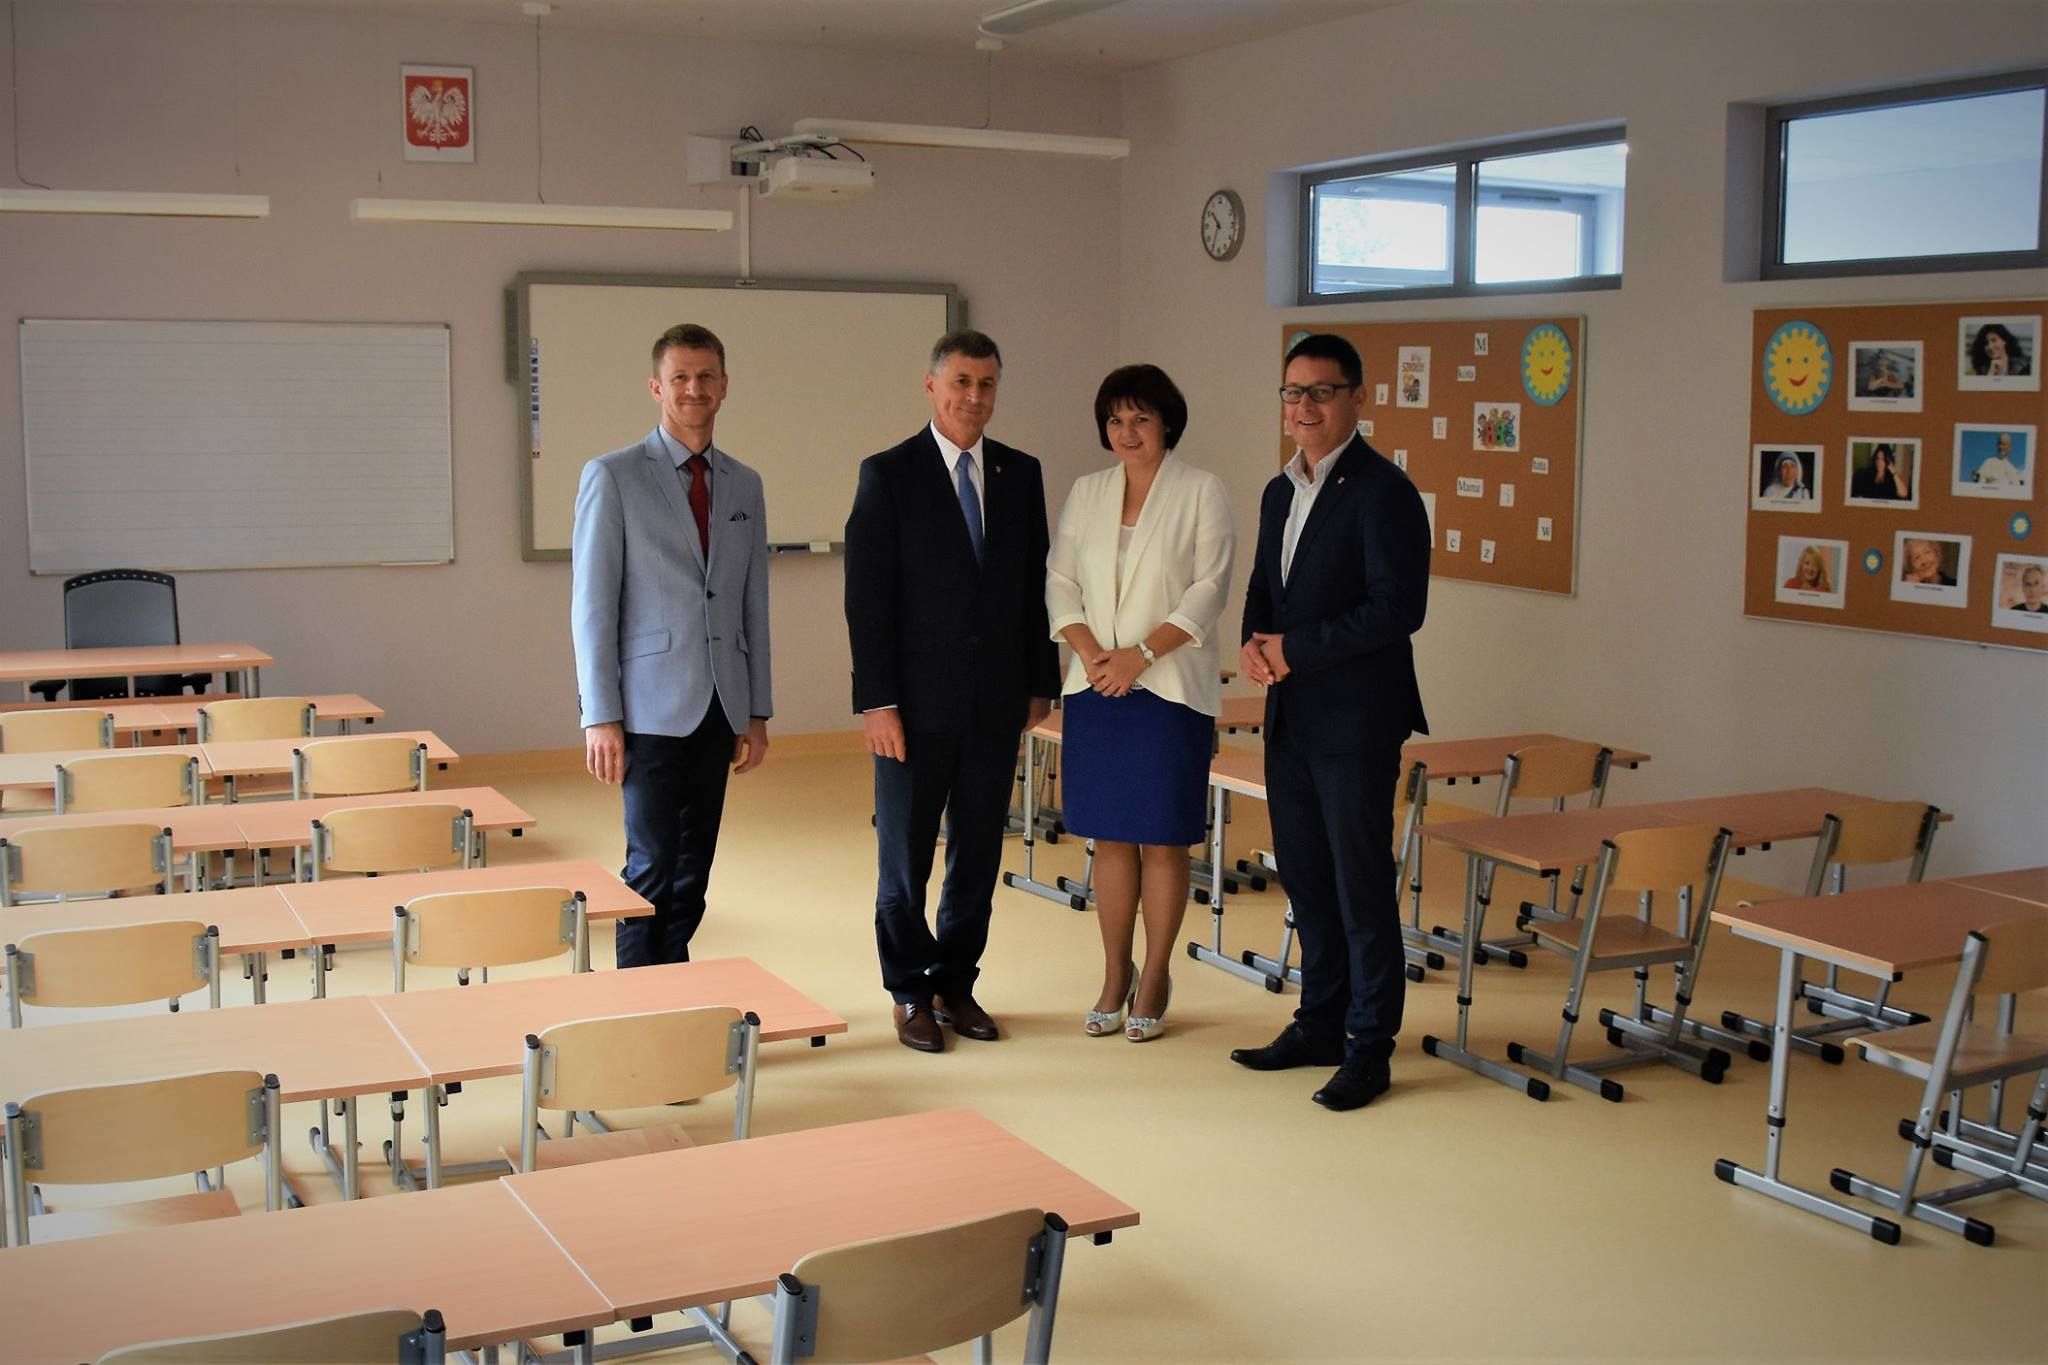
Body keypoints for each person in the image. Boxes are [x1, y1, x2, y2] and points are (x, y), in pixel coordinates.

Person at [1228, 333, 1430, 1112]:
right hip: (1291, 714)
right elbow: (1265, 583)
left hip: (1356, 720)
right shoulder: (1280, 490)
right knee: (1307, 877)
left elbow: (1396, 608)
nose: (1303, 406)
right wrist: (1254, 643)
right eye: (1293, 392)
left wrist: (1295, 649)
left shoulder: (1384, 491)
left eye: (1320, 391)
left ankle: (1369, 1045)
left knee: (1359, 883)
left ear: (1357, 399)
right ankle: (1319, 1022)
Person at [844, 330, 1060, 1053]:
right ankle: (910, 990)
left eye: (986, 384)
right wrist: (877, 702)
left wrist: (1040, 680)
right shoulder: (888, 474)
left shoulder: (1020, 473)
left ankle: (956, 982)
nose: (974, 396)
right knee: (904, 858)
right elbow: (867, 600)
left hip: (995, 703)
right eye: (961, 382)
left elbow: (1033, 585)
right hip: (910, 709)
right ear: (932, 385)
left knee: (977, 853)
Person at [570, 323, 771, 968]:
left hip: (719, 701)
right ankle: (636, 999)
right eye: (680, 377)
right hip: (647, 707)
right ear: (657, 387)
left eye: (706, 376)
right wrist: (600, 714)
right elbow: (592, 607)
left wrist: (757, 710)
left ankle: (673, 983)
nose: (694, 389)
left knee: (694, 870)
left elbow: (753, 603)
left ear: (724, 386)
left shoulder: (744, 484)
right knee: (651, 865)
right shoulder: (613, 475)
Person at [1045, 365, 1234, 1043]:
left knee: (1161, 837)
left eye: (1141, 419)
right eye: (1115, 421)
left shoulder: (1202, 490)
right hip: (1095, 684)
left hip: (1169, 688)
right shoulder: (1087, 491)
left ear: (1167, 423)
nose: (1127, 432)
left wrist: (1142, 655)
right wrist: (1093, 651)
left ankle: (1155, 974)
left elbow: (1209, 589)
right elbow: (1060, 579)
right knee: (1110, 835)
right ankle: (1113, 972)